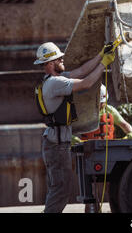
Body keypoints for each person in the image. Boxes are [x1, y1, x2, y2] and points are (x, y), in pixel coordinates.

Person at [34, 42, 108, 213]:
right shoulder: (55, 83)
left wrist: (101, 55)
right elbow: (86, 83)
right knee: (60, 191)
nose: (62, 58)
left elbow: (82, 71)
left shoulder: (54, 80)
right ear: (50, 63)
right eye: (59, 58)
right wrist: (105, 63)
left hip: (56, 143)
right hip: (57, 145)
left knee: (58, 189)